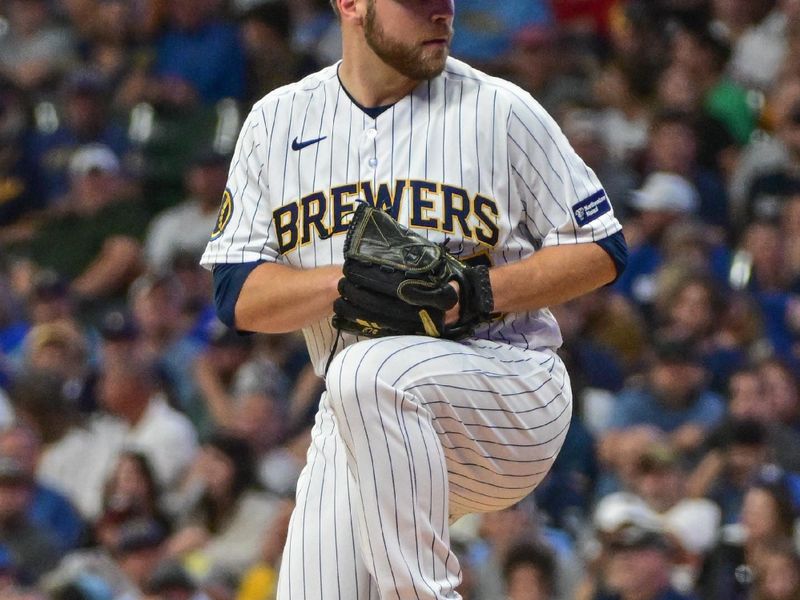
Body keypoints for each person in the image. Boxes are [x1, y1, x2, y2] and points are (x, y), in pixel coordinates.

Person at [200, 0, 626, 597]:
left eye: (446, 0)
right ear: (351, 5)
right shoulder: (278, 122)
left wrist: (474, 291)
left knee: (365, 370)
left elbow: (601, 247)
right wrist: (344, 282)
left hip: (507, 384)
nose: (441, 13)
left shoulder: (499, 110)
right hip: (362, 416)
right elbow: (236, 293)